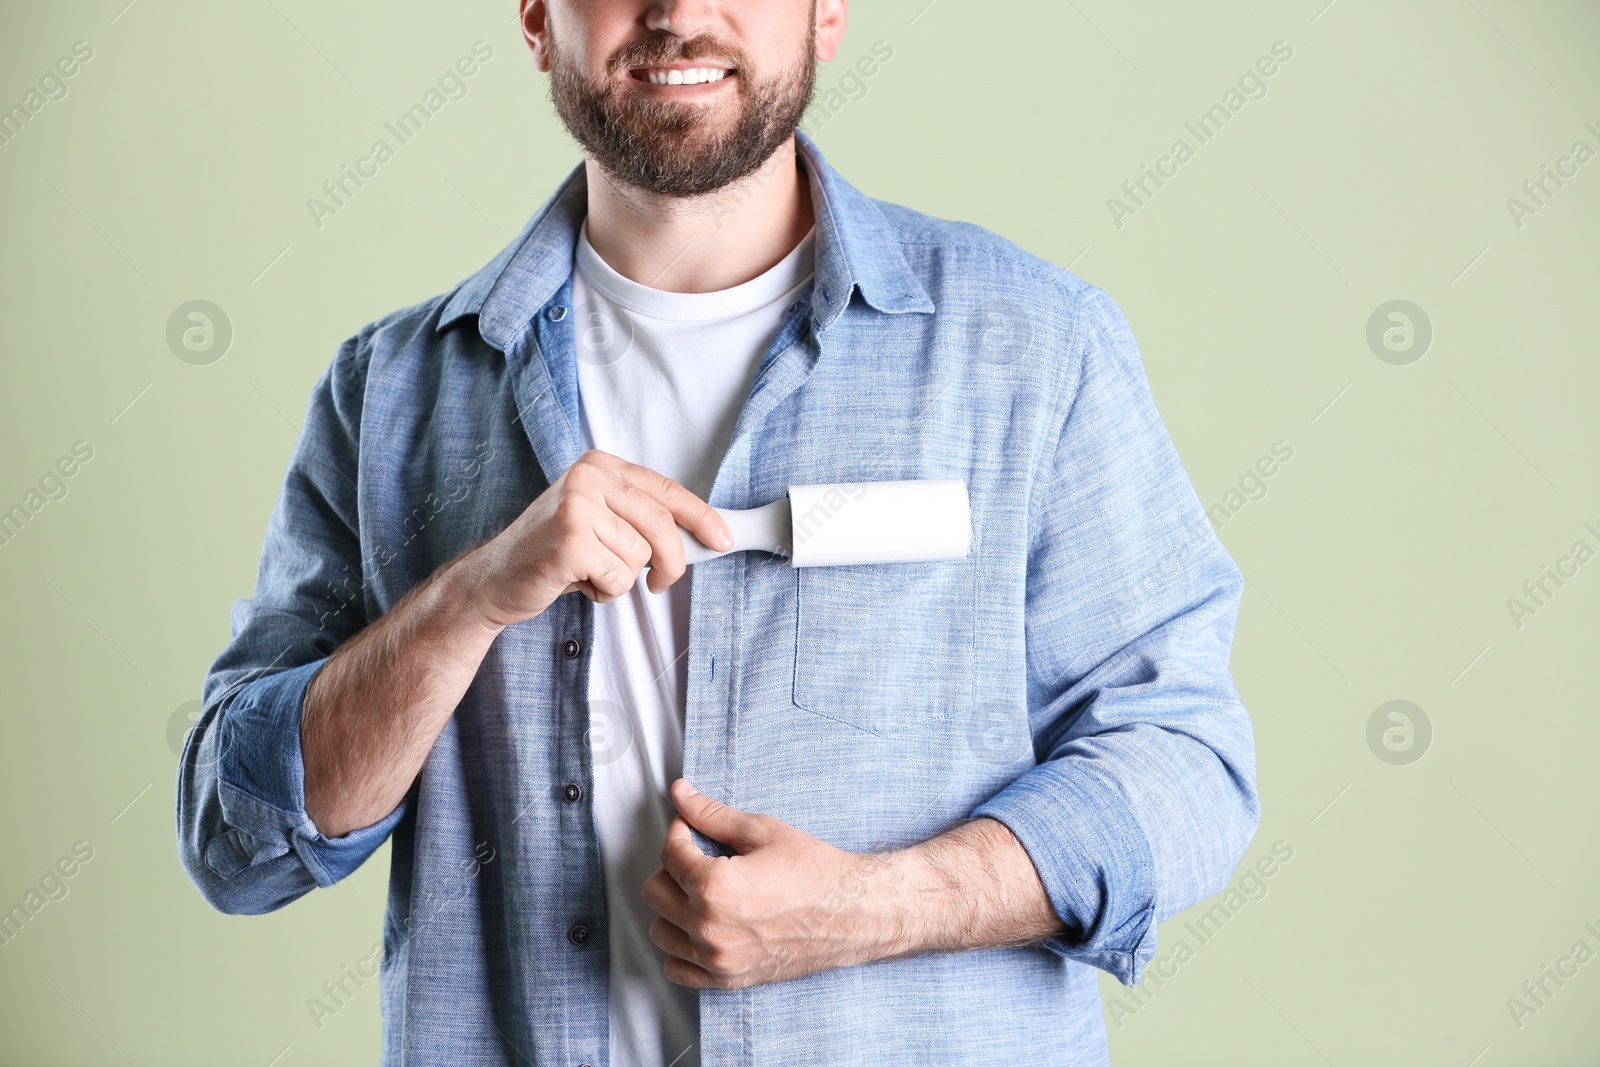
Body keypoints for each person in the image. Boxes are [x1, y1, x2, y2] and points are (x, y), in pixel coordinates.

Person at [176, 1, 1259, 1064]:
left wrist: (867, 906)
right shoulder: (389, 392)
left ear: (825, 13)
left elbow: (1185, 766)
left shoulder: (1035, 346)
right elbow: (239, 837)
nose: (676, 12)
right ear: (534, 18)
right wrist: (467, 598)